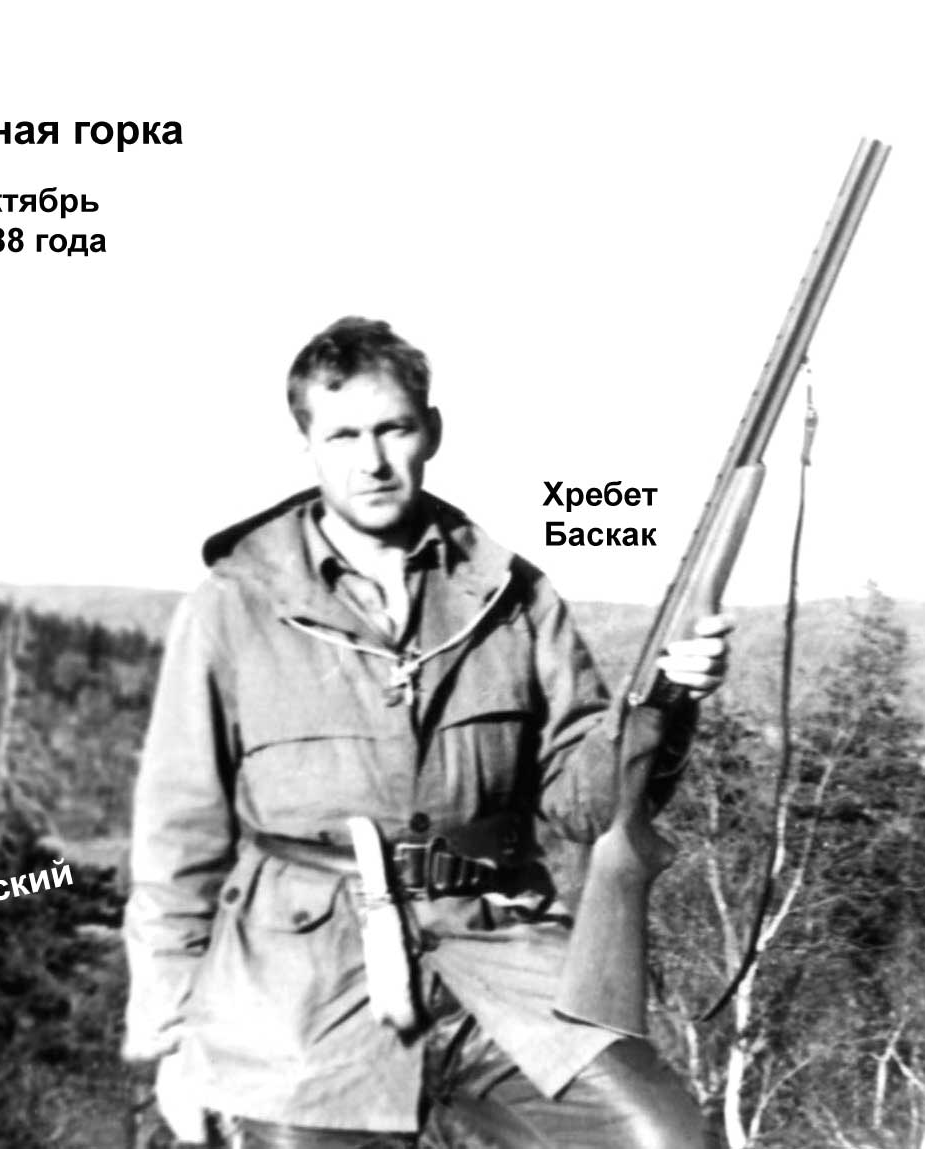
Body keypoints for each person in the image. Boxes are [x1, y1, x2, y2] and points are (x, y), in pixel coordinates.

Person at [122, 316, 731, 1148]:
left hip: (497, 957)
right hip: (299, 996)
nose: (371, 461)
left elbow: (585, 803)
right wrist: (170, 1037)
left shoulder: (510, 593)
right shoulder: (233, 604)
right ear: (306, 445)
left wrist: (669, 699)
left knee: (667, 1139)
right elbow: (176, 836)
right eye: (343, 435)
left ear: (431, 432)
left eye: (393, 428)